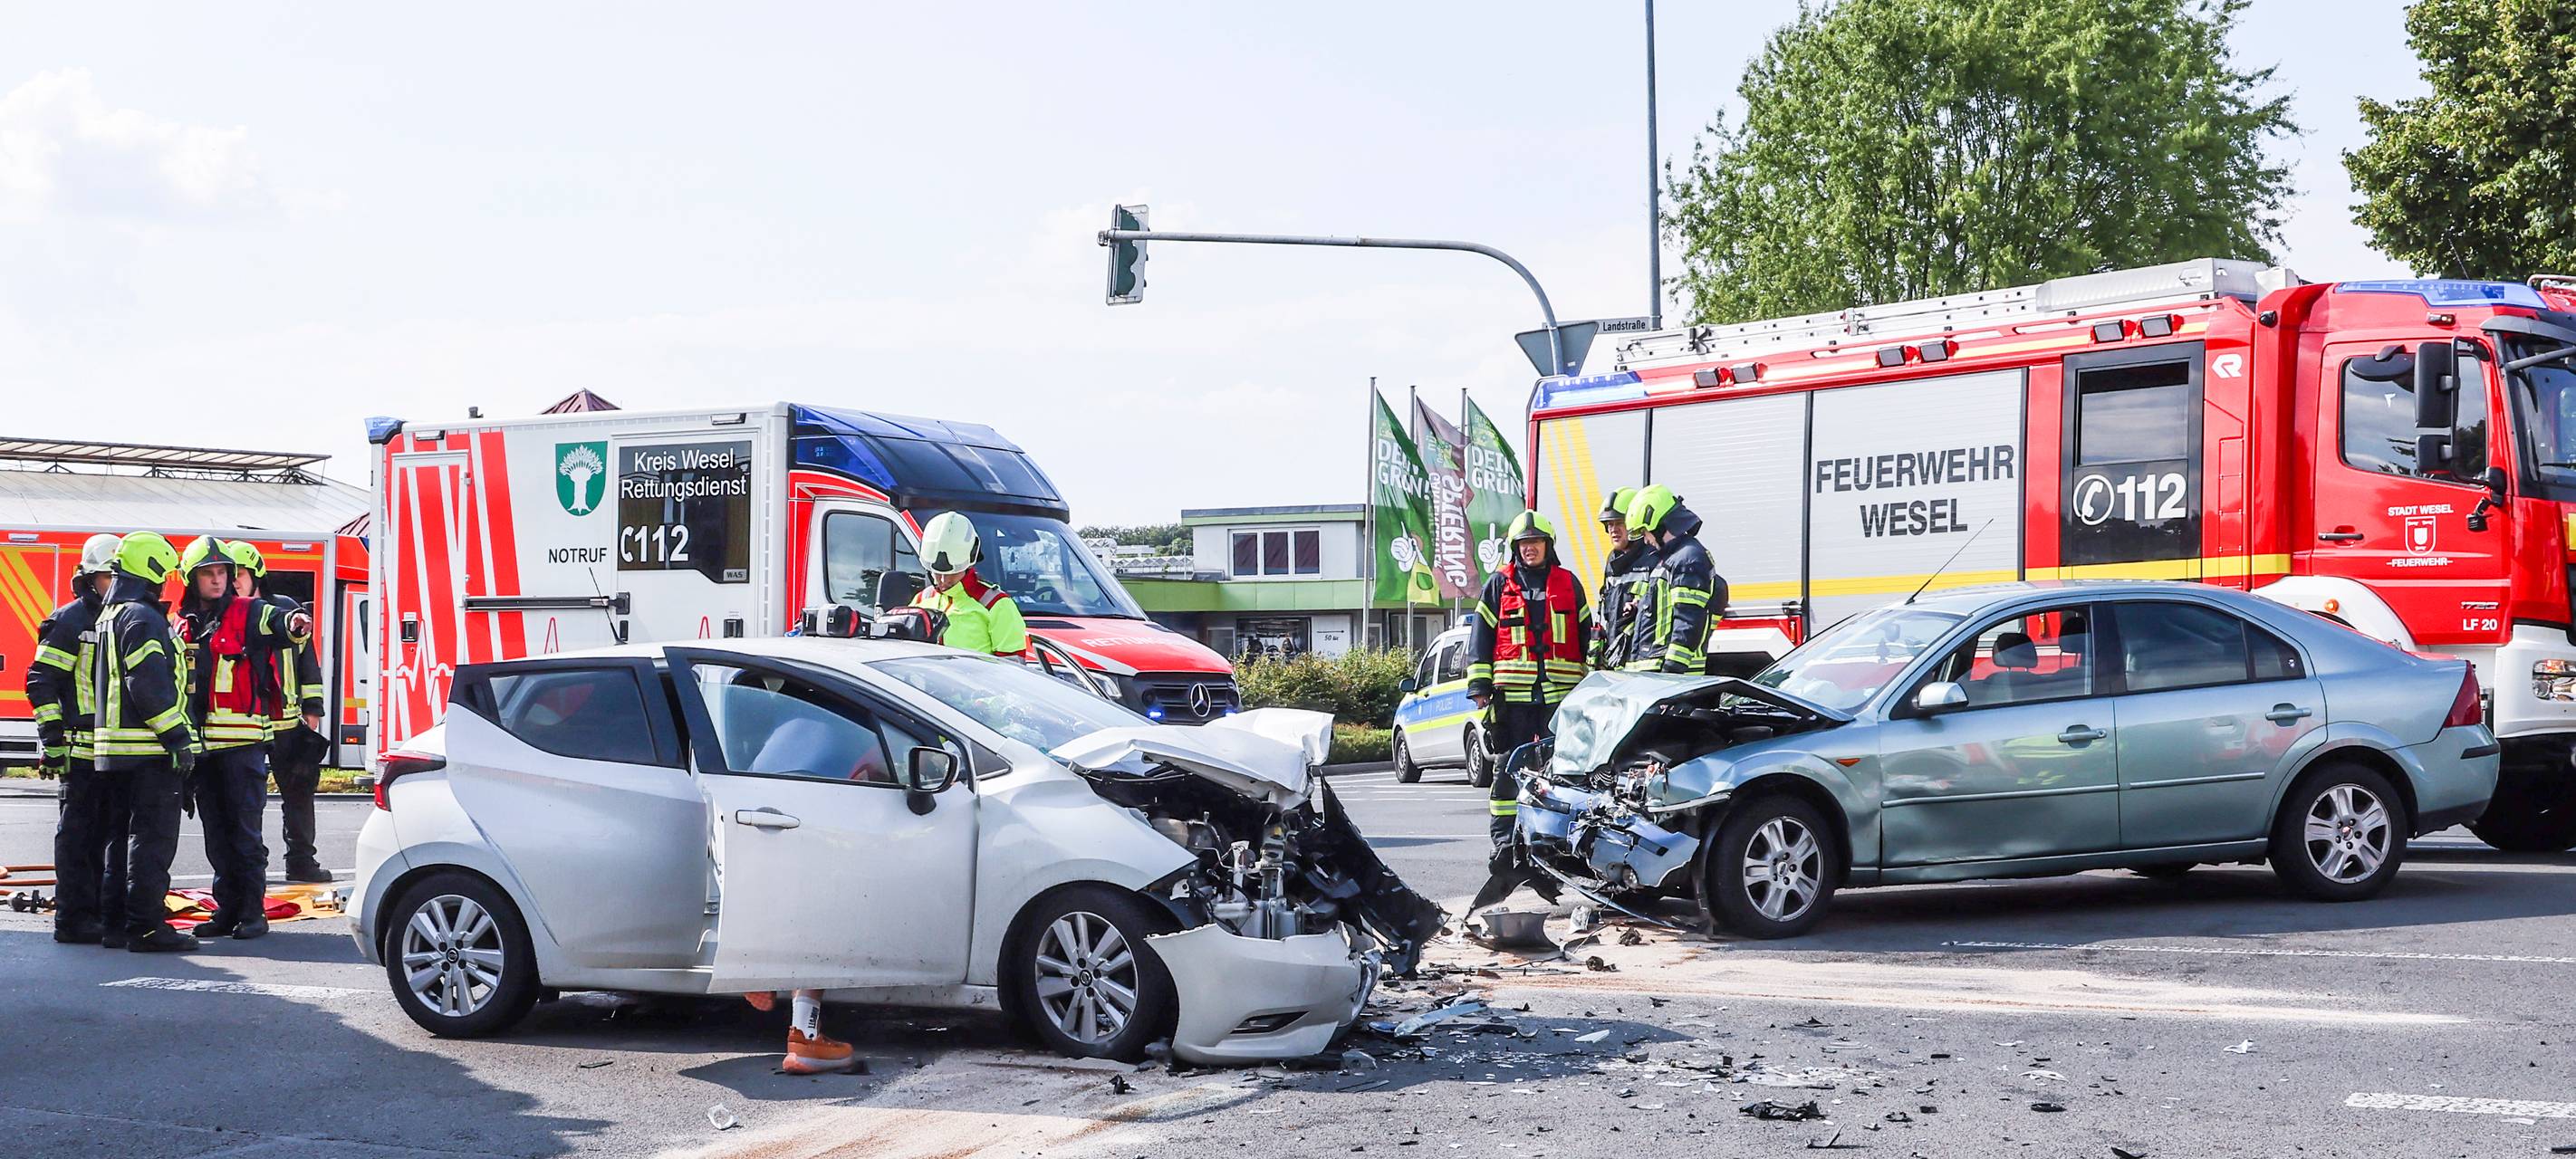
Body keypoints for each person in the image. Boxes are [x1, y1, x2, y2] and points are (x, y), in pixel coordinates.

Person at [175, 535, 308, 940]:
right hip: (202, 750)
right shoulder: (181, 625)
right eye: (208, 574)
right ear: (191, 579)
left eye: (222, 573)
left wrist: (295, 624)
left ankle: (253, 913)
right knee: (216, 836)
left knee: (245, 834)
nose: (217, 581)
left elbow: (281, 622)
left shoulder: (250, 612)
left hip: (242, 747)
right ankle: (226, 910)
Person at [91, 532, 203, 953]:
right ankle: (147, 927)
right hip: (148, 751)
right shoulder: (143, 617)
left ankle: (116, 924)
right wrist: (177, 738)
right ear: (153, 568)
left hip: (114, 753)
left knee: (119, 840)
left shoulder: (110, 614)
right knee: (151, 842)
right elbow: (150, 685)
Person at [1466, 511, 1590, 849]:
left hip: (1560, 698)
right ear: (1514, 548)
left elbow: (1586, 636)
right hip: (1512, 698)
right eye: (1523, 543)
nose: (1529, 548)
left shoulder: (1569, 583)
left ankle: (1555, 842)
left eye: (1535, 542)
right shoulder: (1498, 584)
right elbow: (1481, 637)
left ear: (1547, 545)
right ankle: (1505, 843)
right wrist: (1479, 687)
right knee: (1508, 767)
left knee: (1561, 771)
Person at [29, 534, 123, 946]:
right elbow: (41, 681)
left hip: (110, 752)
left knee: (105, 837)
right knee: (78, 839)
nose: (114, 585)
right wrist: (53, 741)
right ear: (88, 578)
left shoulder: (121, 619)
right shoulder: (70, 621)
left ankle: (98, 913)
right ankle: (72, 919)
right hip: (78, 752)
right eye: (107, 577)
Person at [224, 541, 333, 884]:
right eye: (229, 576)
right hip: (246, 726)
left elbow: (307, 661)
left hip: (287, 722)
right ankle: (252, 864)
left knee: (299, 795)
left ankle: (301, 861)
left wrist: (313, 708)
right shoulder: (227, 614)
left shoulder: (284, 610)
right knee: (248, 800)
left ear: (255, 574)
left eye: (238, 575)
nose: (232, 583)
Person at [1621, 485, 1727, 675]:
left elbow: (1687, 621)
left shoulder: (1687, 559)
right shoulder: (1672, 559)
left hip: (1671, 678)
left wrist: (1671, 673)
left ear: (1659, 525)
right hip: (1654, 673)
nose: (1646, 540)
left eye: (1645, 532)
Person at [910, 512, 1028, 657]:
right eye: (936, 572)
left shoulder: (997, 605)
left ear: (968, 564)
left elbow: (1013, 668)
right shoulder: (922, 600)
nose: (942, 580)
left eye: (951, 573)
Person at [1589, 486, 1651, 672]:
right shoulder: (1612, 561)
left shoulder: (1653, 557)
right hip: (1616, 660)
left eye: (1619, 523)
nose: (1613, 530)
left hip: (1641, 660)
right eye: (1609, 524)